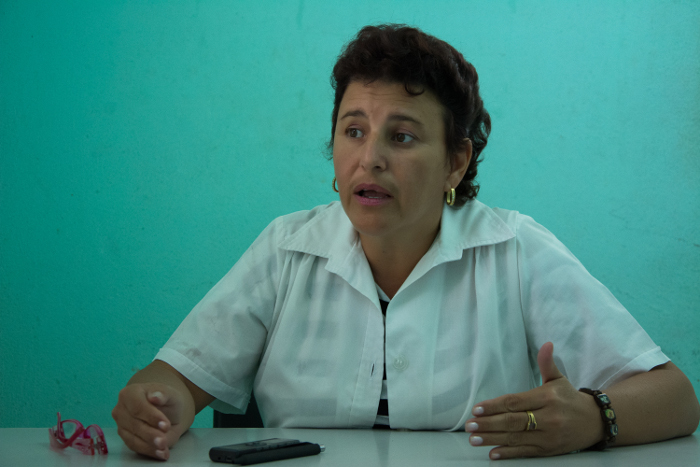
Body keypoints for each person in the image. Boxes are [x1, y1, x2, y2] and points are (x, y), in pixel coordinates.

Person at [112, 24, 700, 461]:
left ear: (455, 161)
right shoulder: (286, 248)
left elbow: (676, 398)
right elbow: (170, 379)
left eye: (402, 136)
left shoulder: (516, 248)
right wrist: (156, 404)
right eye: (353, 130)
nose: (369, 158)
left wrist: (594, 417)